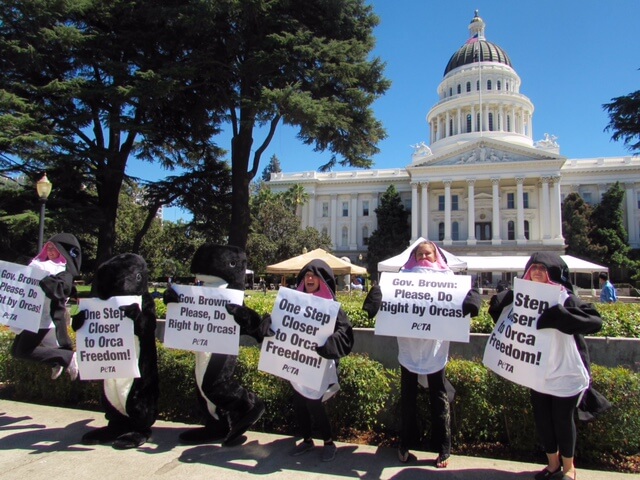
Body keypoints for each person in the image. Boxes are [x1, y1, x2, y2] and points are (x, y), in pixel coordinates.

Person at [488, 252, 610, 480]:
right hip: (536, 370)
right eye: (533, 267)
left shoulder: (565, 297)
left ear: (552, 273)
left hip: (563, 370)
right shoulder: (522, 296)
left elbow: (594, 321)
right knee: (543, 420)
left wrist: (562, 317)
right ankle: (552, 464)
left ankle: (569, 468)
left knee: (563, 421)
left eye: (542, 269)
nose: (537, 272)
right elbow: (500, 312)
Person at [363, 241, 481, 468]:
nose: (424, 256)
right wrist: (375, 297)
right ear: (413, 257)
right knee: (408, 401)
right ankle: (405, 445)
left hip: (435, 350)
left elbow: (469, 294)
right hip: (408, 349)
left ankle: (443, 449)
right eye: (420, 253)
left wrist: (472, 300)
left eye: (429, 253)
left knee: (439, 400)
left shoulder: (449, 279)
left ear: (437, 256)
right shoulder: (401, 278)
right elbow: (381, 297)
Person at [285, 259, 354, 462]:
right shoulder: (293, 303)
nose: (309, 278)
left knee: (314, 403)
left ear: (322, 280)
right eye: (306, 275)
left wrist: (330, 344)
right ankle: (307, 440)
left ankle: (329, 443)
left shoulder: (332, 307)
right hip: (298, 361)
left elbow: (344, 330)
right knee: (299, 403)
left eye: (314, 275)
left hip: (320, 364)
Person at [11, 233, 82, 381]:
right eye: (48, 247)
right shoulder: (39, 264)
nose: (49, 251)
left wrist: (42, 278)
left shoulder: (63, 270)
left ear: (61, 251)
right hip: (30, 315)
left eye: (53, 248)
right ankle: (57, 360)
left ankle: (67, 358)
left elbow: (61, 290)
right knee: (16, 351)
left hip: (44, 317)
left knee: (23, 351)